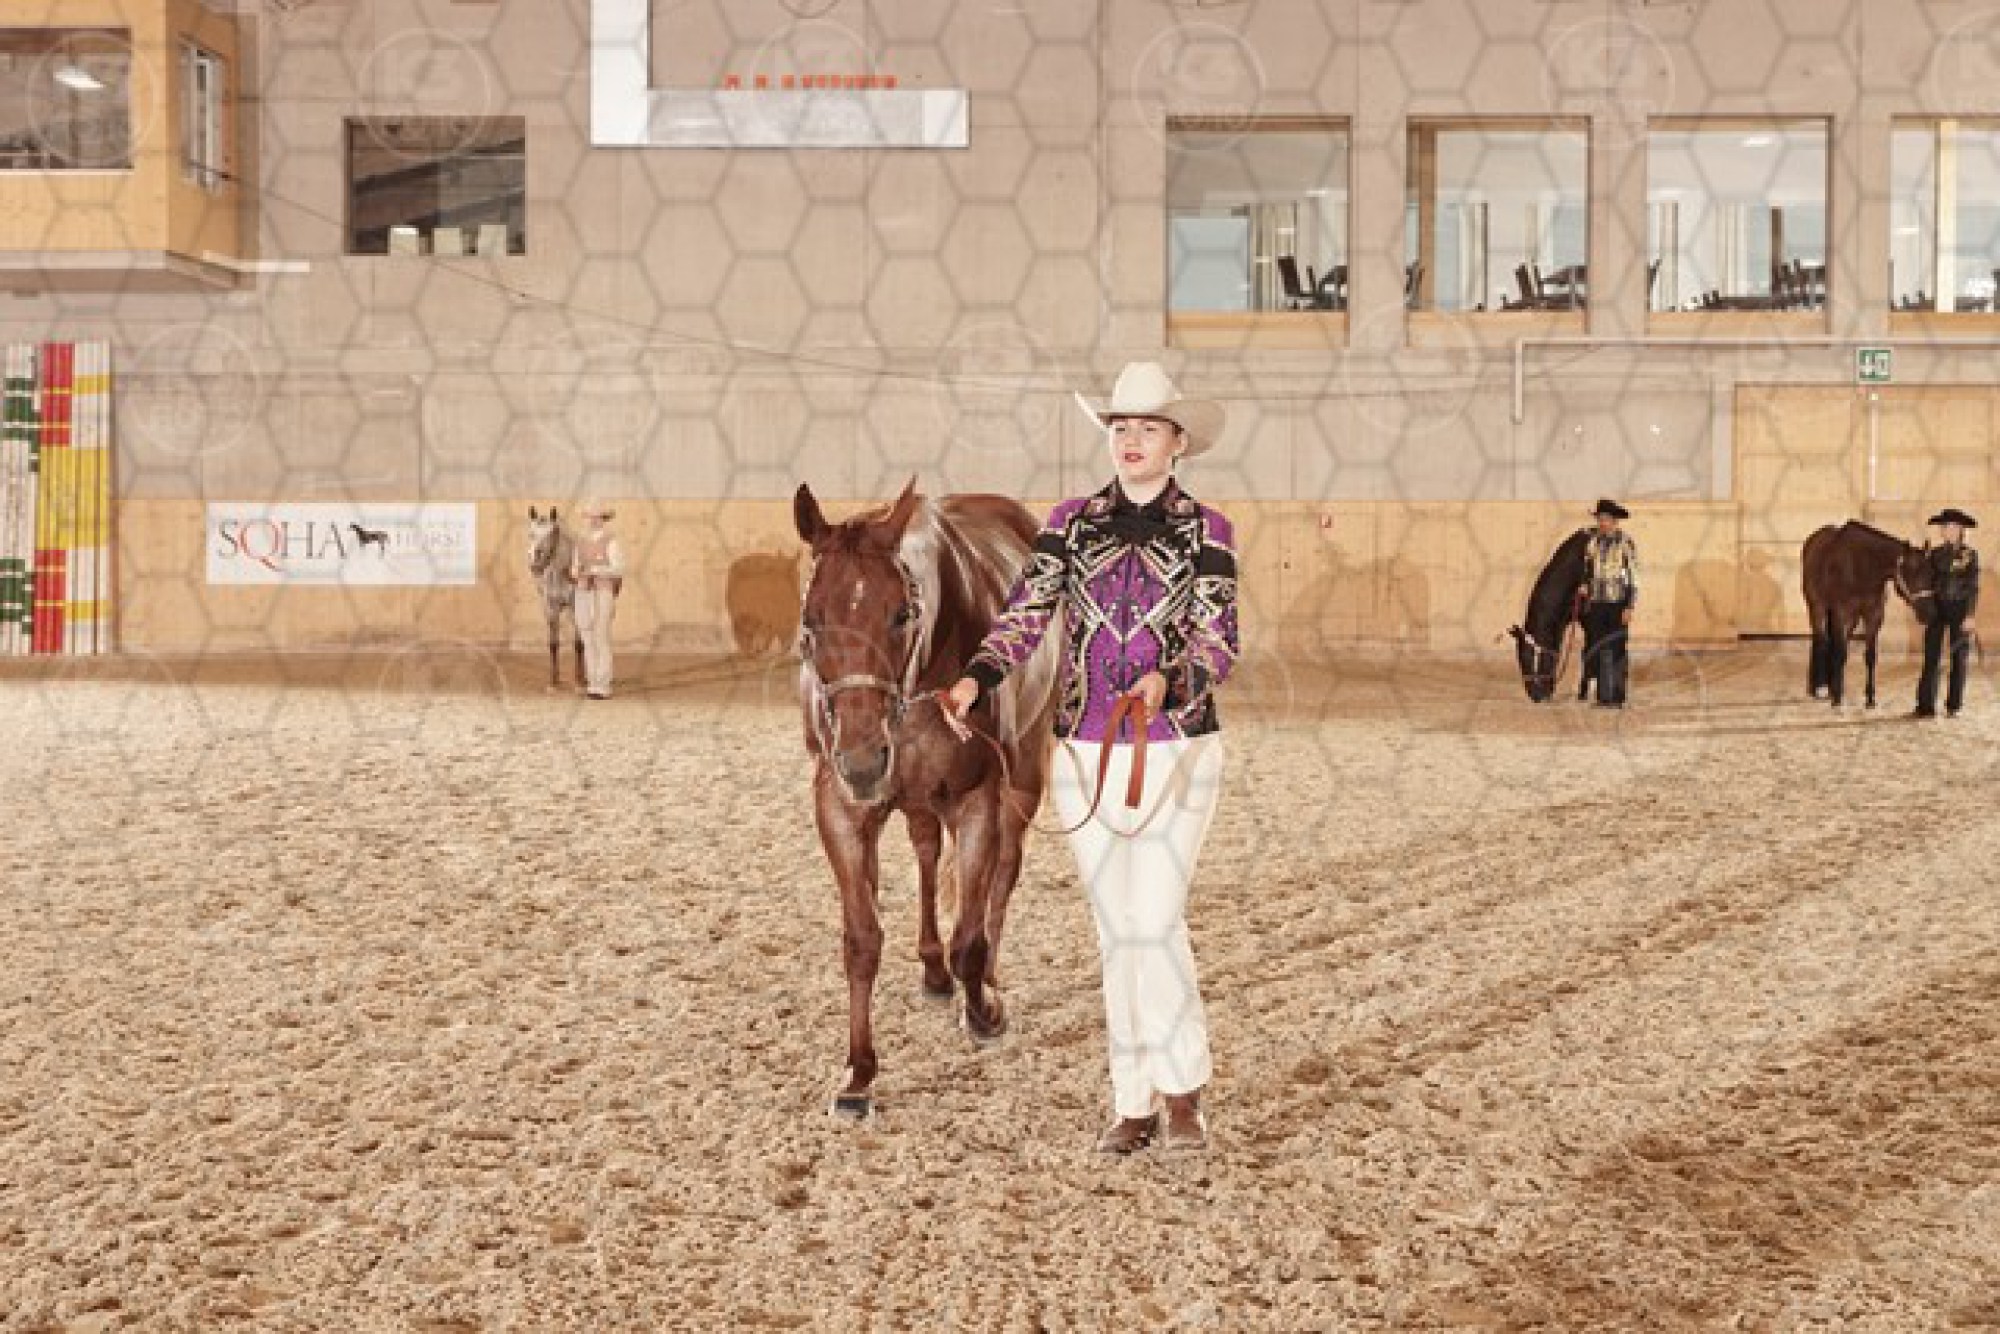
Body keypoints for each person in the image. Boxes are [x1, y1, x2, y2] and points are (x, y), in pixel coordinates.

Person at [943, 361, 1239, 1156]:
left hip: (1177, 748)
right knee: (1117, 930)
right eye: (1121, 428)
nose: (1131, 440)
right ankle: (1132, 1102)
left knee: (1154, 919)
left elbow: (1219, 639)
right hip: (1083, 747)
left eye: (1148, 428)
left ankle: (1183, 1093)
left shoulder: (1209, 531)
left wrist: (1171, 678)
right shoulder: (1069, 523)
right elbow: (1027, 612)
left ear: (1178, 443)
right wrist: (976, 678)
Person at [1915, 507, 1979, 719]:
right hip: (1937, 608)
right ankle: (1925, 705)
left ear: (1961, 530)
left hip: (1960, 608)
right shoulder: (1934, 554)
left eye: (1953, 527)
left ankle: (1954, 705)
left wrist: (1970, 615)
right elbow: (1927, 582)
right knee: (1931, 656)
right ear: (1941, 531)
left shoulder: (1970, 555)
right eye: (1945, 527)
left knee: (1958, 658)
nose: (1948, 531)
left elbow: (1973, 586)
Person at [1578, 498, 1639, 708]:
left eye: (1606, 519)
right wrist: (1584, 584)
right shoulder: (1593, 543)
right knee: (1599, 647)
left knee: (1617, 648)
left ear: (1614, 521)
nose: (1602, 523)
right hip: (1597, 603)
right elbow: (1587, 569)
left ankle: (1617, 696)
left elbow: (1633, 576)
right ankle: (1604, 696)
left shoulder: (1625, 543)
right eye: (1600, 519)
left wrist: (1629, 606)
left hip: (1617, 603)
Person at [568, 499, 625, 700]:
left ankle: (603, 684)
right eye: (589, 517)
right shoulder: (580, 541)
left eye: (597, 517)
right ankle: (592, 682)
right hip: (583, 591)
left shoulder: (611, 541)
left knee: (601, 636)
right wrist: (576, 571)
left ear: (603, 519)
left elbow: (619, 568)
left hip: (602, 592)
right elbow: (574, 566)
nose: (592, 520)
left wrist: (597, 570)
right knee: (587, 636)